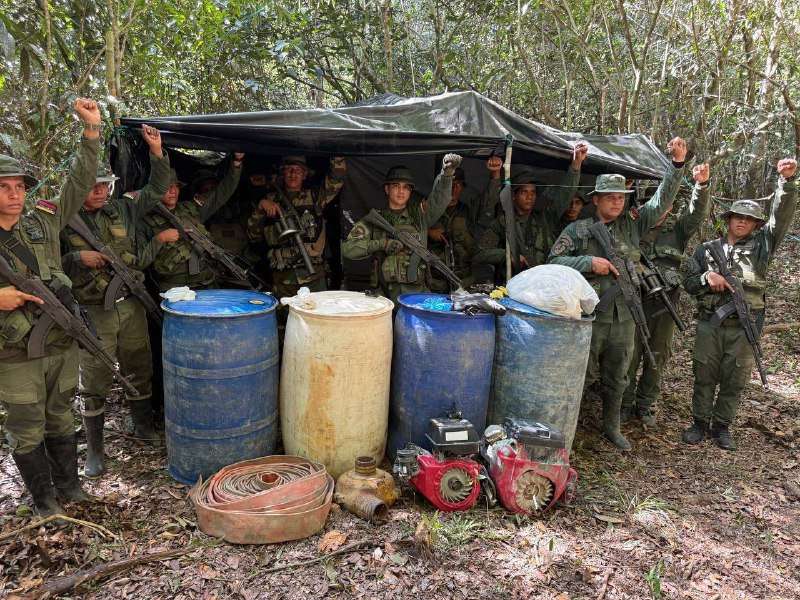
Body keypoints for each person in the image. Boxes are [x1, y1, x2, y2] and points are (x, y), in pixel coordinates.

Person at [548, 137, 687, 450]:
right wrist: (588, 262)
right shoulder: (578, 230)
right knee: (581, 374)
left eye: (621, 197)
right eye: (609, 197)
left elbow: (661, 202)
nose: (616, 202)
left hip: (625, 315)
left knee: (618, 375)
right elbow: (552, 260)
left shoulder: (633, 226)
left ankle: (612, 427)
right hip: (589, 316)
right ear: (595, 200)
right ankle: (566, 428)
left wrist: (677, 166)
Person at [0, 98, 101, 516]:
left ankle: (70, 488)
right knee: (27, 426)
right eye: (4, 188)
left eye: (20, 187)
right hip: (14, 351)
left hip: (59, 338)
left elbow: (77, 185)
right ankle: (44, 503)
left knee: (61, 413)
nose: (14, 195)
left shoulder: (41, 221)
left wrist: (91, 133)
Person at [60, 125, 170, 478]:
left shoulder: (122, 209)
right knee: (95, 378)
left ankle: (142, 426)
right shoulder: (62, 222)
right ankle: (95, 451)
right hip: (94, 311)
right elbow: (43, 266)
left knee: (139, 363)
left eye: (105, 185)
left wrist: (156, 152)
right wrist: (77, 260)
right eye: (93, 186)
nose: (100, 191)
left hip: (130, 303)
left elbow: (155, 190)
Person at [682, 158, 797, 450]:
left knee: (735, 379)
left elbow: (780, 218)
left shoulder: (761, 247)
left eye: (749, 218)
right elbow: (689, 283)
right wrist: (708, 277)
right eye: (737, 216)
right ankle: (699, 423)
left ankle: (722, 427)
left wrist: (786, 183)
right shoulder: (706, 249)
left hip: (744, 326)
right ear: (728, 219)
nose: (742, 221)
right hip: (711, 322)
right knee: (704, 373)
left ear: (756, 224)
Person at [622, 163, 711, 426]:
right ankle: (624, 402)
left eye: (666, 204)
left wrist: (701, 187)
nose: (662, 208)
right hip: (635, 298)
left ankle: (646, 403)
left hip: (666, 301)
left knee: (659, 354)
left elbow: (696, 214)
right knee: (631, 352)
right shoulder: (635, 227)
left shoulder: (678, 230)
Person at [341, 154, 461, 303]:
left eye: (406, 187)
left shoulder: (420, 217)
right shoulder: (375, 221)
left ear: (411, 191)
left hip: (417, 296)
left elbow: (439, 200)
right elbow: (348, 249)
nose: (401, 191)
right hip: (384, 297)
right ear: (387, 189)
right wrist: (381, 244)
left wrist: (446, 174)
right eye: (395, 186)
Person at [474, 142, 589, 282]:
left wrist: (576, 165)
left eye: (533, 192)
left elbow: (564, 195)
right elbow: (480, 254)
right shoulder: (503, 222)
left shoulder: (545, 218)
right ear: (514, 196)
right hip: (514, 284)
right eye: (524, 192)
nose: (530, 197)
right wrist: (507, 255)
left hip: (544, 282)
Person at [139, 154, 244, 292]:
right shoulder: (144, 221)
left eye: (176, 186)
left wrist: (236, 163)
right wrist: (160, 239)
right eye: (167, 186)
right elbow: (139, 262)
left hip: (207, 283)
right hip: (175, 291)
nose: (173, 191)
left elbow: (221, 194)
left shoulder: (191, 209)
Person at [246, 155, 346, 298]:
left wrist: (338, 154)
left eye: (298, 171)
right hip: (282, 277)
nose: (293, 174)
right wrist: (261, 208)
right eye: (289, 170)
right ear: (283, 173)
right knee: (286, 318)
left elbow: (337, 179)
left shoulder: (315, 197)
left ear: (305, 175)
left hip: (314, 275)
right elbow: (253, 236)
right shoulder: (270, 200)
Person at [427, 158, 501, 291]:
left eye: (458, 185)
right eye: (451, 184)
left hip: (463, 280)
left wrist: (495, 174)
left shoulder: (469, 210)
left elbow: (489, 200)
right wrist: (427, 232)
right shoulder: (430, 210)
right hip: (434, 279)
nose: (454, 189)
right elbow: (410, 230)